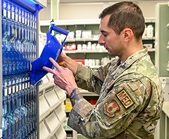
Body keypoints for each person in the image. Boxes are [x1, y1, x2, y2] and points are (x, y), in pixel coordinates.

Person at [43, 1, 164, 139]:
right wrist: (67, 63)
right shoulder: (121, 63)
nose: (100, 40)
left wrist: (71, 89)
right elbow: (96, 79)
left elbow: (96, 127)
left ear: (126, 35)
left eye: (105, 34)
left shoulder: (136, 80)